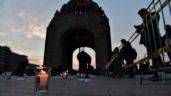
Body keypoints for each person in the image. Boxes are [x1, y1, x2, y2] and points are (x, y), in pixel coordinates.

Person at [135, 8, 163, 78]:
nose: (141, 16)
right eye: (140, 15)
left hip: (154, 38)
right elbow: (141, 30)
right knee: (153, 56)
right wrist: (138, 28)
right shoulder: (144, 21)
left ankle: (160, 73)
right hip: (147, 41)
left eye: (142, 14)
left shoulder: (152, 15)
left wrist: (145, 19)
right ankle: (157, 73)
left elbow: (157, 15)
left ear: (145, 12)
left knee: (156, 56)